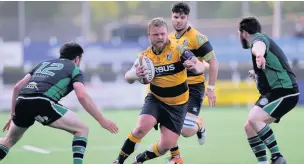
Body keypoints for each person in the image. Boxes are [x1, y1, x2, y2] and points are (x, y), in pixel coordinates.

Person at [0, 42, 119, 163]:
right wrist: (101, 120)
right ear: (77, 59)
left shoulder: (43, 64)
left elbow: (17, 87)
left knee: (8, 141)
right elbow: (82, 96)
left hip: (21, 101)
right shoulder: (74, 69)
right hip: (42, 102)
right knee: (82, 129)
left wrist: (13, 114)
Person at [112, 17, 205, 164]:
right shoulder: (144, 57)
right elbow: (128, 76)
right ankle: (119, 161)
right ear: (149, 36)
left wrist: (195, 68)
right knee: (140, 128)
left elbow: (200, 65)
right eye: (156, 35)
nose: (160, 37)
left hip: (178, 106)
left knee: (165, 146)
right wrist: (135, 75)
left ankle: (139, 159)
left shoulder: (178, 50)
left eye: (163, 34)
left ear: (167, 33)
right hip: (156, 100)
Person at [239, 17, 300, 164]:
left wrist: (259, 54)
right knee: (249, 127)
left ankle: (277, 157)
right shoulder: (261, 40)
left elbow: (258, 47)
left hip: (285, 91)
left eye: (239, 33)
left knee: (254, 118)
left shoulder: (258, 40)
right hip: (278, 92)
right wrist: (257, 73)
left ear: (244, 33)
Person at [167, 2, 219, 163]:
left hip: (194, 88)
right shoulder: (168, 38)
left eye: (182, 17)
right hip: (175, 87)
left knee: (186, 131)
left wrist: (210, 87)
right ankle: (175, 157)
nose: (178, 21)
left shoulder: (197, 38)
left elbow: (214, 62)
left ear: (187, 18)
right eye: (176, 17)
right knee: (167, 121)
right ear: (171, 17)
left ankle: (199, 125)